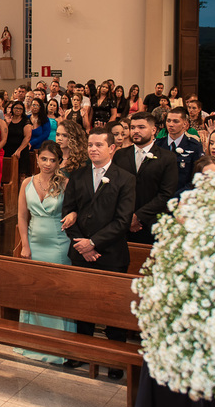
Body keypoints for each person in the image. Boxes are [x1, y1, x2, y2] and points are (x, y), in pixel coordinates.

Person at [61, 128, 135, 379]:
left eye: (99, 145)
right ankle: (80, 352)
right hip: (81, 252)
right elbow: (69, 211)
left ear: (112, 148)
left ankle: (115, 359)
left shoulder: (125, 178)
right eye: (90, 145)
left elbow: (123, 220)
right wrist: (81, 244)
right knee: (81, 305)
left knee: (111, 308)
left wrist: (93, 243)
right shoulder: (78, 175)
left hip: (111, 254)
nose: (93, 149)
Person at [15, 141, 75, 364]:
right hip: (34, 242)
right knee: (35, 292)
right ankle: (32, 341)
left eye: (53, 160)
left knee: (56, 293)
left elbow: (74, 210)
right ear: (37, 158)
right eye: (44, 159)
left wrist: (74, 216)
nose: (48, 164)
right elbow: (22, 216)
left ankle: (57, 345)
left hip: (59, 244)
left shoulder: (65, 183)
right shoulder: (26, 183)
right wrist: (25, 244)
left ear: (59, 162)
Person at [111, 112, 178, 246]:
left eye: (141, 127)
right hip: (122, 223)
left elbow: (166, 193)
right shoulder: (120, 155)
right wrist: (127, 216)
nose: (136, 131)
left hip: (152, 223)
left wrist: (138, 216)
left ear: (154, 130)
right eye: (133, 127)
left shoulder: (167, 158)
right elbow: (114, 189)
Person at [158, 108, 204, 196]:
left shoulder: (194, 146)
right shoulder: (158, 144)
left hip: (183, 196)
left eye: (175, 121)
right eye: (168, 121)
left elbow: (196, 177)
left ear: (185, 124)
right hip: (159, 197)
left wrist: (179, 196)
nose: (171, 124)